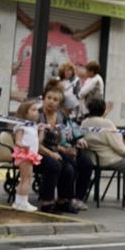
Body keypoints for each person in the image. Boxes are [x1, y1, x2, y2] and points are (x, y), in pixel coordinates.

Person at [81, 97, 125, 212]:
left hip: (92, 158)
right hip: (109, 159)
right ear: (103, 109)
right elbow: (118, 146)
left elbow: (97, 124)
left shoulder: (85, 122)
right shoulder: (107, 124)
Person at [38, 81, 92, 213]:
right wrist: (52, 154)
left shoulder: (60, 117)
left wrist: (67, 148)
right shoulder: (38, 115)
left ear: (59, 104)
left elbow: (61, 139)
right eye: (49, 98)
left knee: (70, 166)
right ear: (44, 98)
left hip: (54, 149)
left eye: (55, 100)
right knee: (55, 165)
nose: (51, 101)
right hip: (37, 150)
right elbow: (35, 143)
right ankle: (46, 203)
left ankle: (63, 201)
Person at [10, 100, 43, 212]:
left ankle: (18, 202)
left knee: (26, 178)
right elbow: (17, 141)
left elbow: (39, 141)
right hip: (24, 155)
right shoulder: (21, 126)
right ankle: (23, 202)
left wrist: (41, 131)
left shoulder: (33, 126)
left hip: (30, 154)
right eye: (33, 110)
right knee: (26, 179)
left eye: (37, 110)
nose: (37, 112)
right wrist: (24, 147)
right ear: (25, 113)